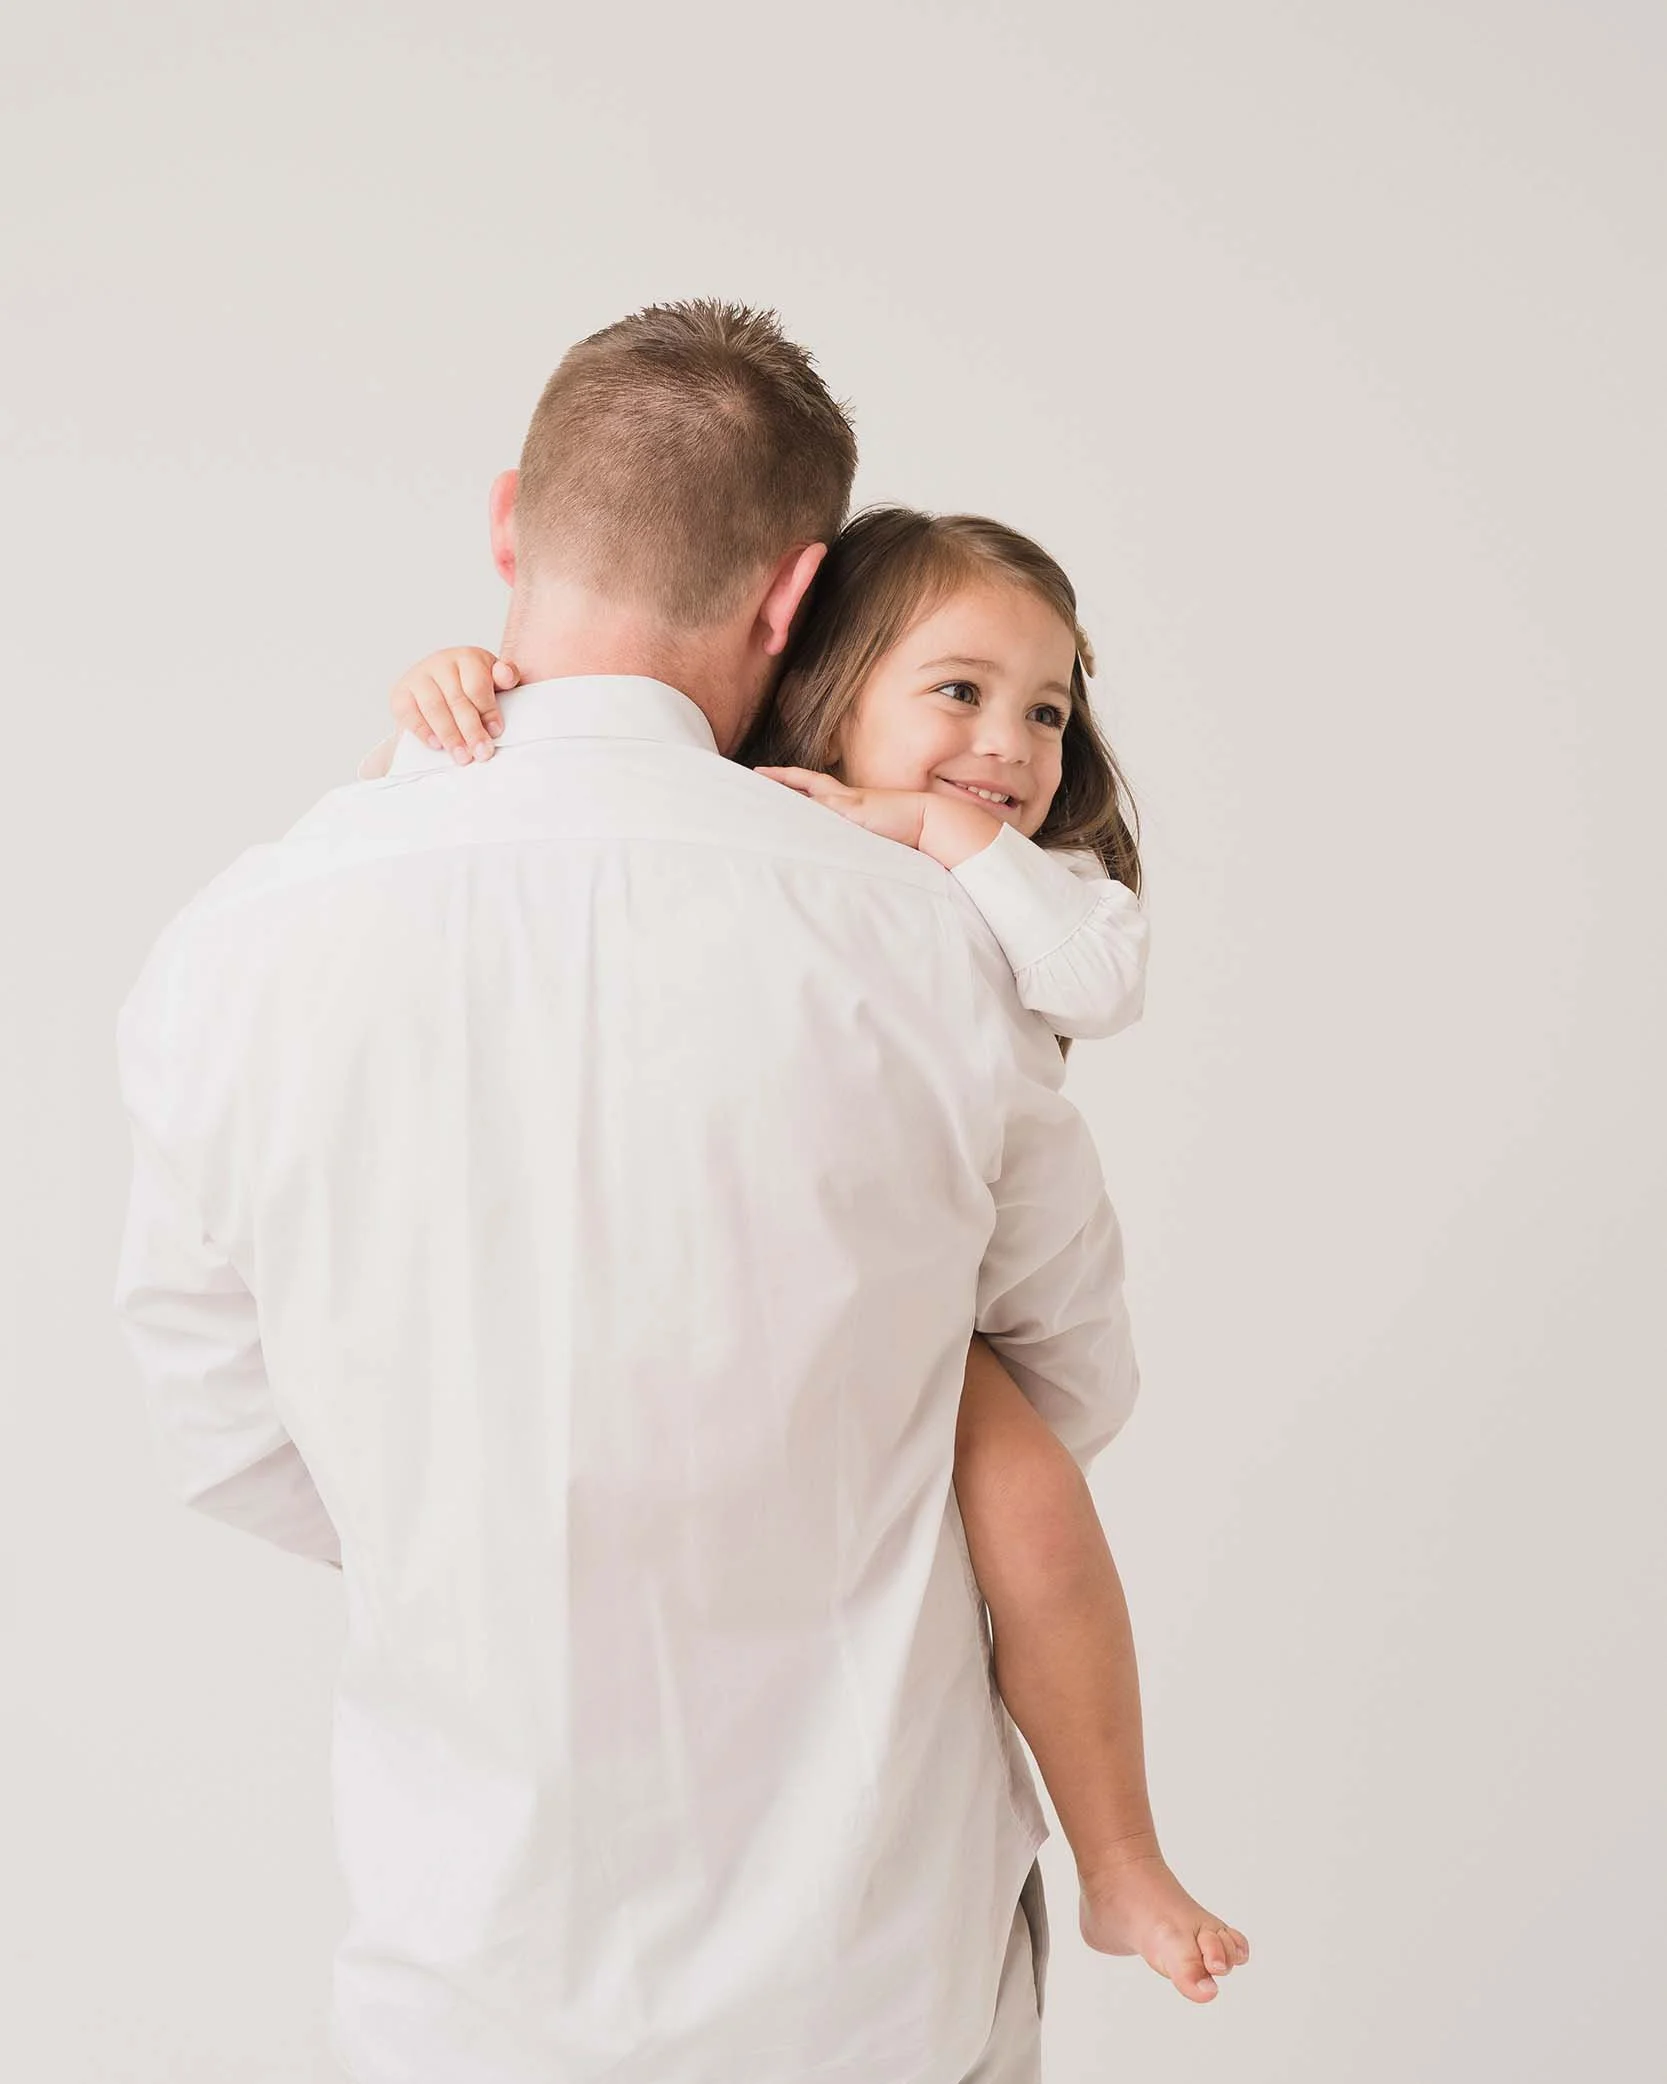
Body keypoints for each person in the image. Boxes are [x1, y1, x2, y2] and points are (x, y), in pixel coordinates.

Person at [110, 299, 1164, 2084]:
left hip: (469, 1973)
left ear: (511, 521)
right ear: (793, 597)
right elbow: (1067, 1379)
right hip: (872, 1964)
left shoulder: (244, 941)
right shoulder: (918, 938)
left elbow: (219, 1424)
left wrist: (514, 1518)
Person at [362, 506, 1250, 2012]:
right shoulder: (746, 821)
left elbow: (1099, 976)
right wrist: (459, 686)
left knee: (1036, 1513)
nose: (1012, 745)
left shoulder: (1010, 885)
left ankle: (1120, 1858)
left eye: (1045, 707)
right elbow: (487, 839)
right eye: (957, 692)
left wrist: (939, 828)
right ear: (828, 678)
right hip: (747, 1272)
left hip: (914, 1304)